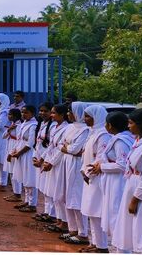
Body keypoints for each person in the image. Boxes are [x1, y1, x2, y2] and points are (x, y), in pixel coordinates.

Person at [112, 108, 142, 253]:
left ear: (141, 124)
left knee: (140, 226)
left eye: (131, 123)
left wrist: (135, 199)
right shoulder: (138, 141)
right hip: (132, 183)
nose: (128, 126)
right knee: (127, 226)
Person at [88, 111, 133, 244]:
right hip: (111, 180)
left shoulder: (121, 141)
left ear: (110, 125)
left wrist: (102, 167)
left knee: (115, 213)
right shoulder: (116, 137)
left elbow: (122, 165)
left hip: (118, 182)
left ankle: (119, 246)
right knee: (111, 213)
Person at [78, 105, 110, 252]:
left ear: (97, 117)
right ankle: (95, 243)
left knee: (97, 211)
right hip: (88, 176)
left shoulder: (103, 135)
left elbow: (101, 157)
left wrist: (89, 173)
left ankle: (102, 246)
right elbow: (86, 155)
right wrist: (83, 170)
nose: (85, 119)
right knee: (90, 210)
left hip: (96, 177)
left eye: (88, 116)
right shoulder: (93, 132)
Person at [58, 102, 91, 245]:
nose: (68, 114)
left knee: (76, 197)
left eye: (70, 111)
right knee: (66, 195)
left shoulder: (85, 130)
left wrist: (67, 147)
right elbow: (60, 144)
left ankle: (83, 232)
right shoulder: (70, 127)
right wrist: (67, 148)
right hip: (67, 162)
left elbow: (75, 150)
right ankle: (72, 229)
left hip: (77, 164)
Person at [41, 104, 71, 235]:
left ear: (62, 115)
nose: (51, 115)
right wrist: (43, 158)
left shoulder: (67, 128)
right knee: (52, 191)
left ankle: (64, 221)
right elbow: (51, 146)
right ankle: (59, 219)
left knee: (59, 193)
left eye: (54, 113)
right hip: (51, 160)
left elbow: (61, 149)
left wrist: (51, 163)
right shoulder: (54, 127)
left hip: (59, 163)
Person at [9, 105, 39, 212]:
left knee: (30, 178)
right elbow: (19, 140)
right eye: (22, 112)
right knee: (24, 177)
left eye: (26, 112)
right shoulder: (23, 124)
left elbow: (30, 142)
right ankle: (26, 200)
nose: (23, 114)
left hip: (28, 153)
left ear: (32, 113)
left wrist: (19, 153)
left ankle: (32, 203)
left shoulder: (33, 125)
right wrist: (14, 150)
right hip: (20, 153)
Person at [32, 102, 55, 221]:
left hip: (47, 159)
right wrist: (35, 156)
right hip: (40, 157)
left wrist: (42, 159)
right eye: (40, 111)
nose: (42, 113)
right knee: (43, 187)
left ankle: (52, 213)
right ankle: (47, 211)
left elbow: (51, 146)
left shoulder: (53, 126)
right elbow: (38, 142)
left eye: (45, 111)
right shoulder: (41, 123)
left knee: (49, 187)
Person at [2, 108, 22, 201]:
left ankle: (17, 194)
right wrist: (9, 129)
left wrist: (12, 153)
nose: (8, 116)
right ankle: (15, 192)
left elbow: (19, 140)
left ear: (15, 116)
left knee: (14, 171)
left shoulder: (19, 126)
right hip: (9, 145)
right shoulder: (12, 125)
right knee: (10, 170)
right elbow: (3, 136)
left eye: (10, 114)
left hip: (15, 147)